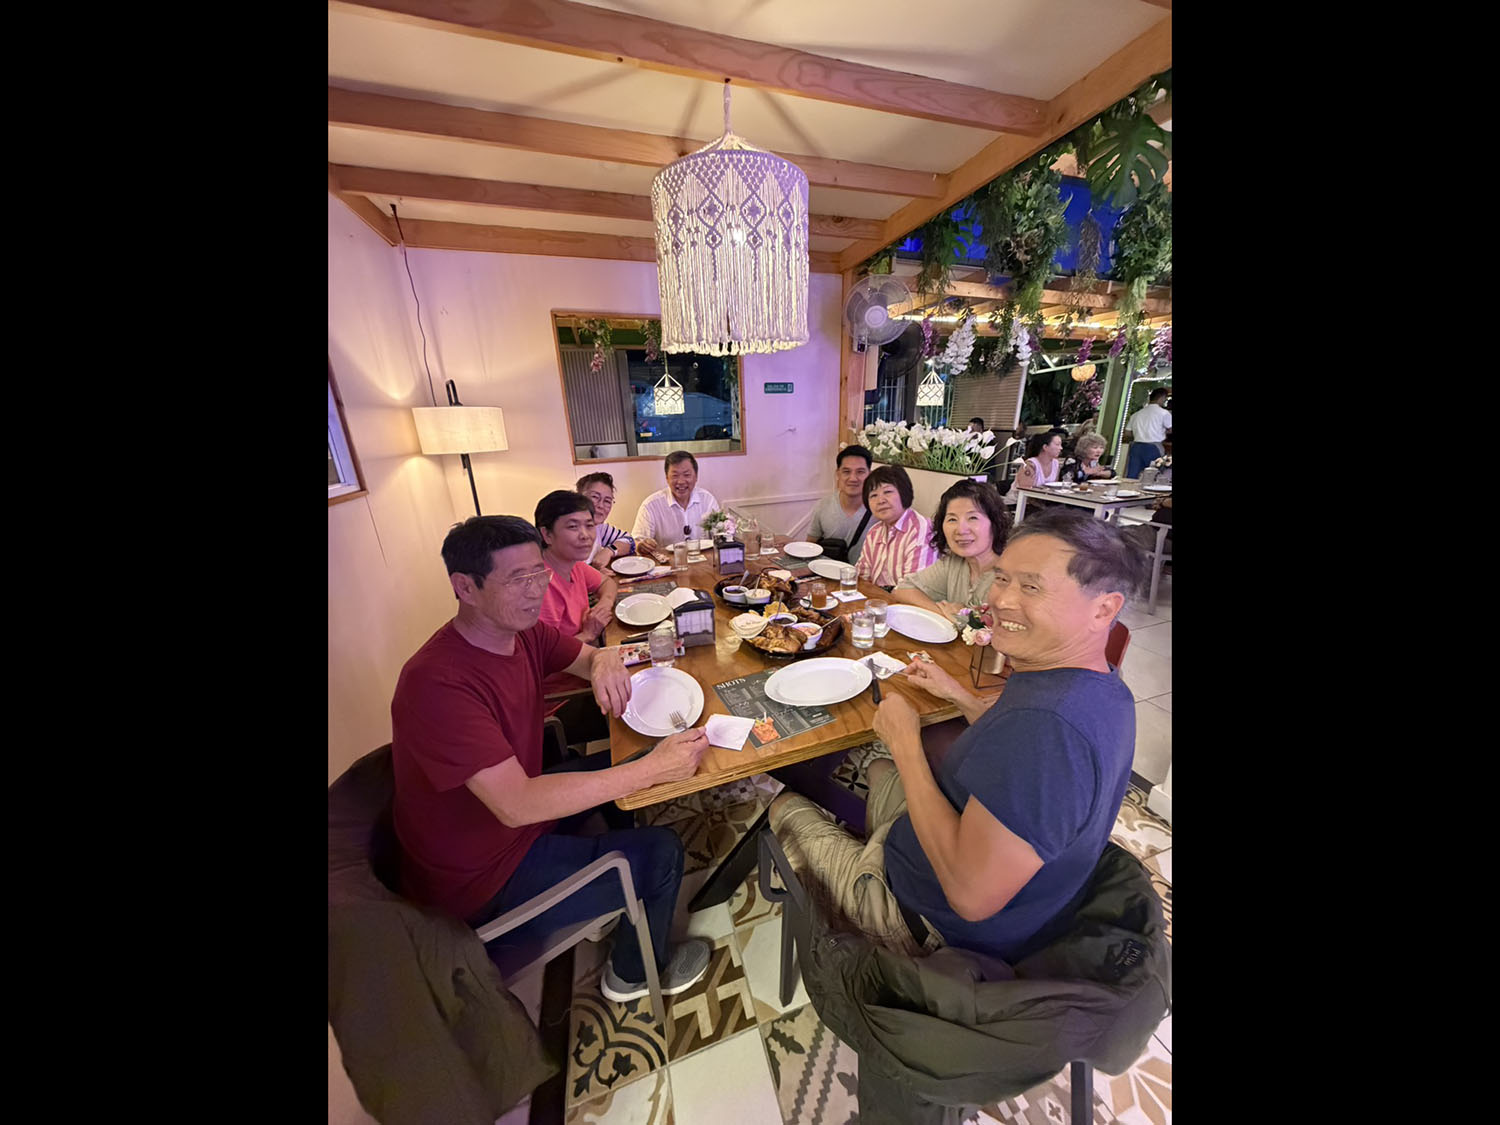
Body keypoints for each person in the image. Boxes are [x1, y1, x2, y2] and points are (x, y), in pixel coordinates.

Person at [768, 509, 1146, 962]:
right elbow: (1014, 750)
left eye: (1031, 587)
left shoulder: (1049, 731)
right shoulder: (1094, 684)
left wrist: (905, 742)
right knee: (881, 768)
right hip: (991, 875)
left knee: (784, 806)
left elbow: (970, 897)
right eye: (1001, 578)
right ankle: (876, 845)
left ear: (1104, 609)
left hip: (933, 925)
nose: (1001, 600)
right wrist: (956, 695)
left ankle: (862, 898)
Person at [391, 515, 713, 1004]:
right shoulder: (436, 684)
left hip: (514, 825)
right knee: (662, 847)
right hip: (482, 878)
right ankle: (629, 975)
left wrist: (603, 661)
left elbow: (589, 657)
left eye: (537, 573)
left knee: (627, 771)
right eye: (516, 579)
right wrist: (649, 770)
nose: (535, 590)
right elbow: (516, 804)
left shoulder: (520, 633)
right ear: (465, 587)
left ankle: (609, 894)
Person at [891, 480, 1010, 618]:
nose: (961, 530)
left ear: (995, 523)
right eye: (952, 519)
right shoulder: (953, 562)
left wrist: (962, 618)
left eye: (972, 518)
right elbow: (903, 590)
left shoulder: (1011, 574)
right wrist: (944, 612)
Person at [534, 491, 617, 645]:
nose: (585, 535)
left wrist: (604, 604)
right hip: (573, 657)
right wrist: (587, 635)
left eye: (589, 525)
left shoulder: (573, 563)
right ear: (546, 534)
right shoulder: (539, 586)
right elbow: (544, 654)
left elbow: (607, 583)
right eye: (573, 527)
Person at [854, 465, 938, 589]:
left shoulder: (922, 530)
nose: (880, 501)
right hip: (878, 598)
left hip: (908, 599)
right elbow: (861, 576)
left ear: (903, 493)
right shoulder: (874, 532)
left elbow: (914, 588)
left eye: (887, 492)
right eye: (873, 495)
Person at [631, 451, 721, 549]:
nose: (681, 481)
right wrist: (642, 545)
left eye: (686, 475)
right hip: (667, 558)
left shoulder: (707, 500)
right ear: (667, 478)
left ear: (696, 477)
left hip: (704, 557)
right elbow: (637, 542)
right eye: (675, 476)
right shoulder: (651, 505)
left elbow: (721, 535)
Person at [806, 444, 874, 564]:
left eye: (860, 472)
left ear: (870, 474)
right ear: (838, 474)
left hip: (867, 575)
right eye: (846, 472)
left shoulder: (879, 509)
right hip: (828, 572)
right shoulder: (823, 506)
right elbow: (810, 546)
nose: (853, 478)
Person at [576, 472, 635, 570]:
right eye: (595, 497)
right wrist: (595, 574)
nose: (601, 505)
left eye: (607, 501)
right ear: (578, 498)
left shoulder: (599, 528)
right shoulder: (567, 532)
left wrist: (610, 550)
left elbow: (629, 541)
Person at [1124, 388, 1172, 479]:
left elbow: (1127, 433)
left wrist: (1141, 434)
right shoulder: (1164, 413)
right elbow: (1170, 429)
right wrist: (1164, 431)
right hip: (1153, 447)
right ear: (1162, 398)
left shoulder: (1136, 414)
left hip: (1136, 447)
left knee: (1132, 476)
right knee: (1154, 476)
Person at [1006, 430, 1065, 499]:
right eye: (1057, 445)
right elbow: (1025, 491)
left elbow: (1054, 488)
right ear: (1045, 447)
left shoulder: (1056, 464)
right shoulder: (1030, 465)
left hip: (1044, 500)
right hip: (1018, 502)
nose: (1061, 448)